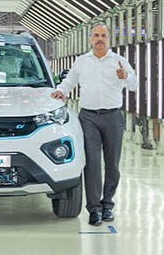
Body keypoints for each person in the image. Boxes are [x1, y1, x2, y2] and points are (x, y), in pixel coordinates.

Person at [50, 23, 138, 226]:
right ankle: (94, 209)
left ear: (109, 39)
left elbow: (134, 84)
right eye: (96, 35)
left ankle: (107, 205)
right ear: (91, 39)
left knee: (112, 163)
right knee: (92, 163)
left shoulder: (118, 61)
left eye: (103, 36)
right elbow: (69, 81)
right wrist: (60, 91)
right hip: (88, 118)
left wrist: (125, 76)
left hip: (113, 116)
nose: (100, 39)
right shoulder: (82, 61)